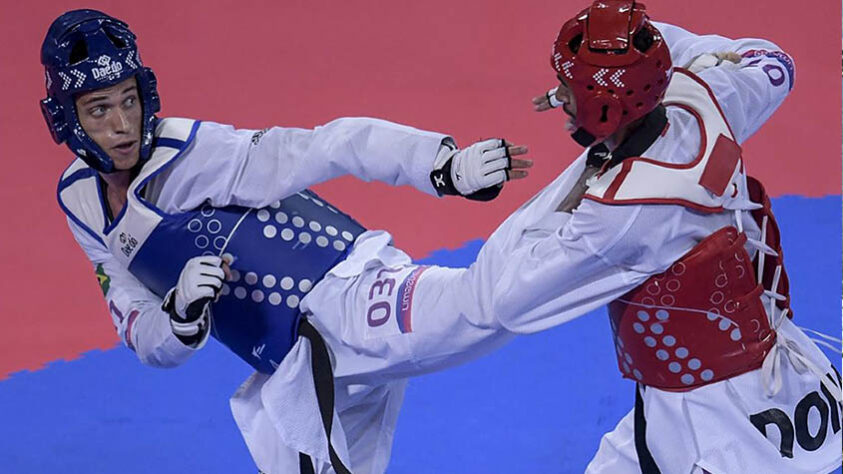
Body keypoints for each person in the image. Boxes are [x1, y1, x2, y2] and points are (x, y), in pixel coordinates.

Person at [42, 9, 531, 474]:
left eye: (129, 100)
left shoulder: (197, 155)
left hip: (344, 301)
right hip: (290, 359)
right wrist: (180, 316)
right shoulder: (81, 204)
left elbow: (333, 144)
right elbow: (141, 331)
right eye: (99, 109)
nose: (122, 125)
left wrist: (442, 166)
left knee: (486, 303)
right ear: (68, 120)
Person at [463, 1, 839, 472]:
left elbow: (507, 301)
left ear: (604, 104)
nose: (559, 93)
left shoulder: (617, 216)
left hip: (714, 426)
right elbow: (773, 60)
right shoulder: (708, 99)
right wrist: (635, 51)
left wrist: (583, 178)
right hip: (771, 370)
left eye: (568, 85)